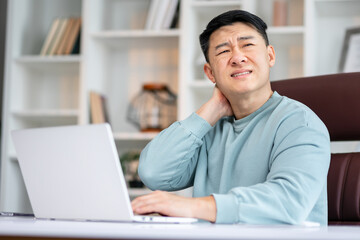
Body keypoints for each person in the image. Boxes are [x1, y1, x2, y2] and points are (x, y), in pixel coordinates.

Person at [131, 10, 330, 225]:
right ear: (210, 73)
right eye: (223, 51)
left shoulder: (300, 123)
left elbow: (290, 202)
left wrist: (191, 206)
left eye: (247, 45)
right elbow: (153, 172)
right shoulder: (208, 130)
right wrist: (209, 112)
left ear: (270, 56)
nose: (237, 57)